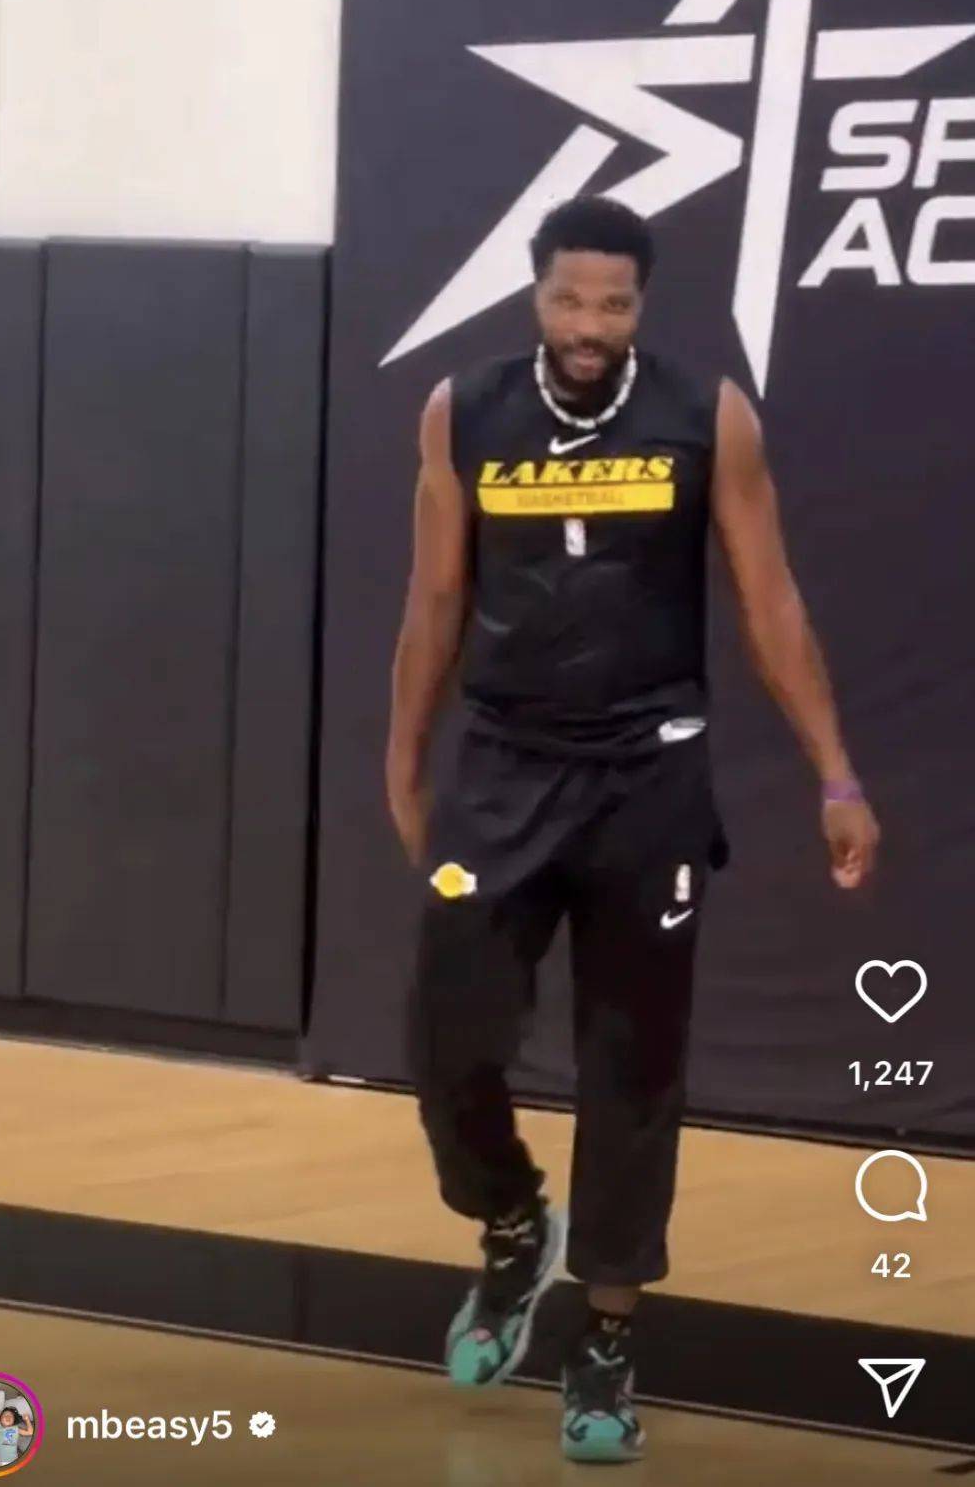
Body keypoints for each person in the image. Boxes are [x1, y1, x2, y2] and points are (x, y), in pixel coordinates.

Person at [386, 195, 880, 1463]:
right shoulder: (463, 411)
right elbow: (436, 596)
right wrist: (403, 754)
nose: (589, 324)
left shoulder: (707, 415)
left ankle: (604, 1335)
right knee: (447, 1032)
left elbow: (770, 601)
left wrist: (835, 772)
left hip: (649, 772)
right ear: (536, 295)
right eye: (570, 299)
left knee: (633, 1064)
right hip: (504, 765)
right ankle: (512, 1224)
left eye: (612, 304)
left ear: (640, 307)